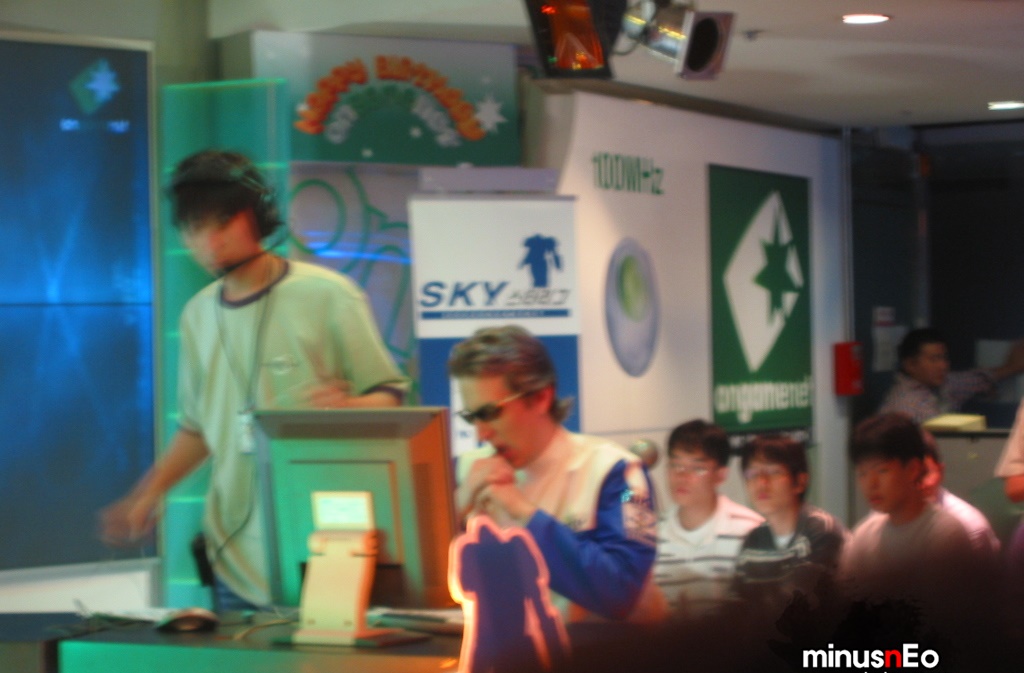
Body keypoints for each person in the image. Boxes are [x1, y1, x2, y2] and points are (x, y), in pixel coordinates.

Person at [100, 149, 408, 610]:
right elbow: (198, 428)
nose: (209, 241)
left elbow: (390, 397)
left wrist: (347, 409)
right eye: (194, 227)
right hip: (232, 558)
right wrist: (145, 495)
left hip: (325, 550)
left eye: (222, 222)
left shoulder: (328, 295)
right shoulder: (197, 316)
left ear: (257, 215)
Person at [450, 325, 657, 623]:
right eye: (471, 417)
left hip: (587, 651)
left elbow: (620, 591)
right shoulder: (465, 470)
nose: (481, 434)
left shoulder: (617, 472)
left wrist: (523, 512)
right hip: (487, 650)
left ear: (541, 398)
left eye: (490, 413)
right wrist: (456, 509)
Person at [840, 413, 983, 623]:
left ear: (913, 469)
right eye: (862, 473)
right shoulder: (864, 535)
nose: (871, 484)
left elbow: (945, 620)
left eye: (882, 470)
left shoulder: (945, 534)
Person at [644, 419, 763, 620]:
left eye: (697, 468)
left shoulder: (750, 530)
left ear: (721, 475)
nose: (682, 476)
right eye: (675, 465)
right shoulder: (650, 534)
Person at [733, 435, 847, 616]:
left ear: (800, 482)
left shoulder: (822, 531)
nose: (761, 482)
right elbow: (736, 607)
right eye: (752, 474)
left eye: (773, 472)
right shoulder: (753, 541)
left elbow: (797, 605)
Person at [878, 327, 1024, 424]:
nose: (943, 365)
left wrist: (1011, 368)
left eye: (944, 358)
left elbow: (976, 380)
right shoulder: (902, 408)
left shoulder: (944, 383)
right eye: (934, 359)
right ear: (910, 365)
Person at [920, 428, 1000, 558]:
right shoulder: (886, 521)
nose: (918, 484)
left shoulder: (969, 526)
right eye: (906, 476)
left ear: (940, 471)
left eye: (924, 473)